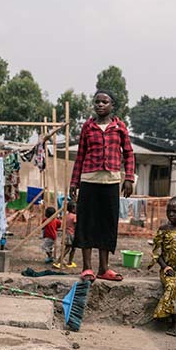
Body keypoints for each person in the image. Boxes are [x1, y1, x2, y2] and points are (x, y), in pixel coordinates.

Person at [69, 90, 135, 282]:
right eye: (97, 102)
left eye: (104, 102)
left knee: (107, 223)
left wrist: (129, 178)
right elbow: (80, 155)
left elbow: (129, 154)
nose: (100, 105)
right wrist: (74, 182)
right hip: (89, 180)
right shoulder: (88, 127)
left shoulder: (119, 127)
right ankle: (87, 267)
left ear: (112, 105)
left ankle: (104, 268)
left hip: (111, 181)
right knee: (87, 222)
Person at [147, 196, 176, 336]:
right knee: (173, 284)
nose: (171, 214)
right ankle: (174, 322)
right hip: (168, 270)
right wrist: (166, 267)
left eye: (175, 211)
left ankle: (168, 316)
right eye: (168, 211)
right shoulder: (163, 230)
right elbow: (157, 253)